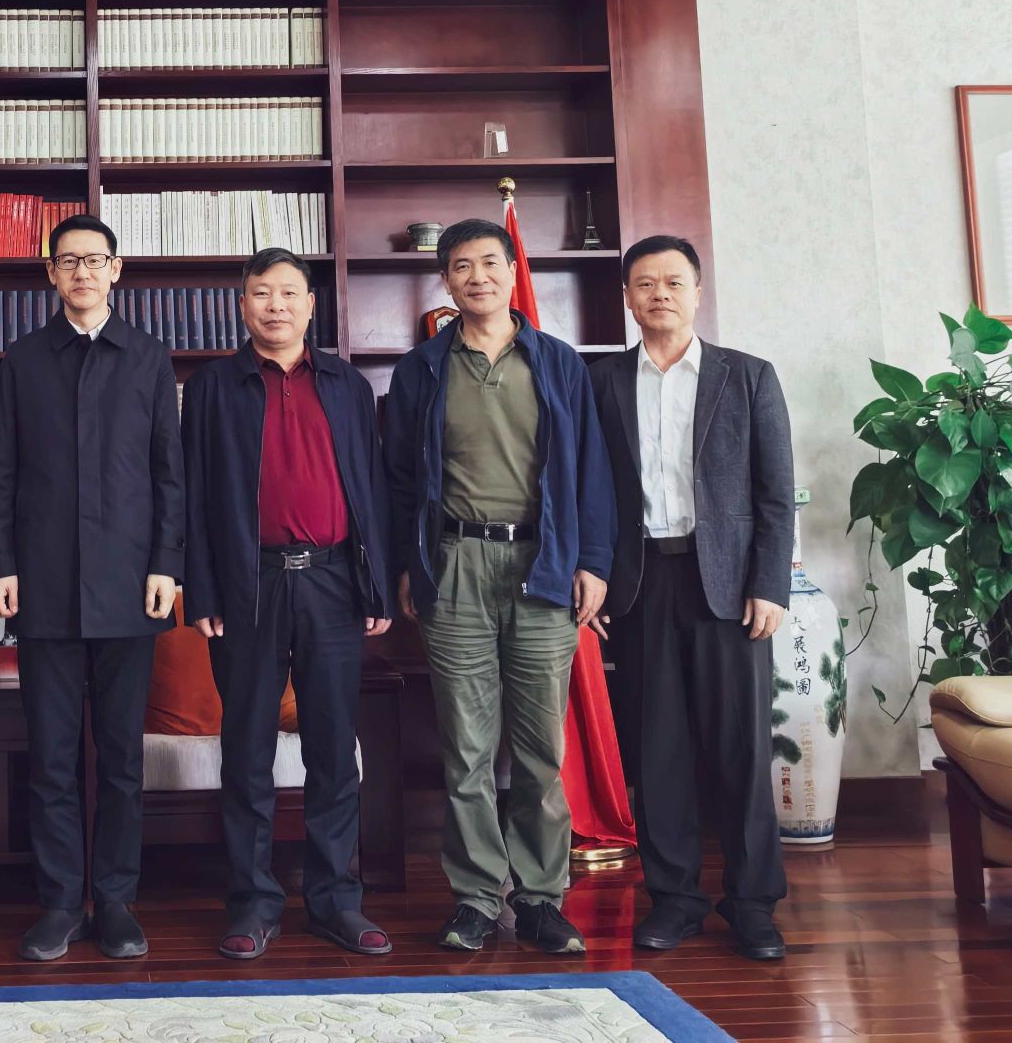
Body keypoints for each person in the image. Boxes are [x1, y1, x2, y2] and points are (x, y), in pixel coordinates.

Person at [381, 217, 614, 956]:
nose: (477, 276)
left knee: (540, 749)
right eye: (461, 266)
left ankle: (541, 899)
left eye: (490, 262)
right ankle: (477, 897)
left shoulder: (558, 362)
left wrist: (593, 561)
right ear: (445, 281)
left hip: (543, 566)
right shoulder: (421, 370)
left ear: (514, 271)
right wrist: (408, 565)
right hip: (454, 567)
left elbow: (593, 468)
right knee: (467, 746)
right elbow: (399, 481)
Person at [182, 249, 395, 961]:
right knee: (247, 748)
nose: (275, 305)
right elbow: (193, 494)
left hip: (333, 582)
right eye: (261, 293)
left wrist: (375, 582)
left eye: (288, 293)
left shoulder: (348, 385)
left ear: (311, 305)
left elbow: (372, 489)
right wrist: (203, 588)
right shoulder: (212, 388)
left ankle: (337, 900)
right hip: (247, 586)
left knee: (333, 747)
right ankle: (252, 903)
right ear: (242, 306)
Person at [0, 214, 185, 963]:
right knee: (52, 758)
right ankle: (62, 902)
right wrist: (2, 563)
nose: (82, 273)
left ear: (116, 270)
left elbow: (169, 475)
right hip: (43, 585)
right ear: (51, 273)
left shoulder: (149, 357)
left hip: (131, 585)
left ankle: (118, 900)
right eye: (68, 261)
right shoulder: (24, 359)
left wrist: (166, 563)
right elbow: (1, 473)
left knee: (122, 758)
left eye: (94, 260)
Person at [590, 235, 793, 961]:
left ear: (698, 293)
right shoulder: (603, 380)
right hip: (640, 583)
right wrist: (595, 573)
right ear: (627, 297)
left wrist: (769, 584)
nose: (660, 295)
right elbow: (591, 491)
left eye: (674, 282)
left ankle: (752, 903)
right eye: (645, 284)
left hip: (730, 588)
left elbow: (774, 492)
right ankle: (674, 899)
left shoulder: (749, 376)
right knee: (658, 751)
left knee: (741, 748)